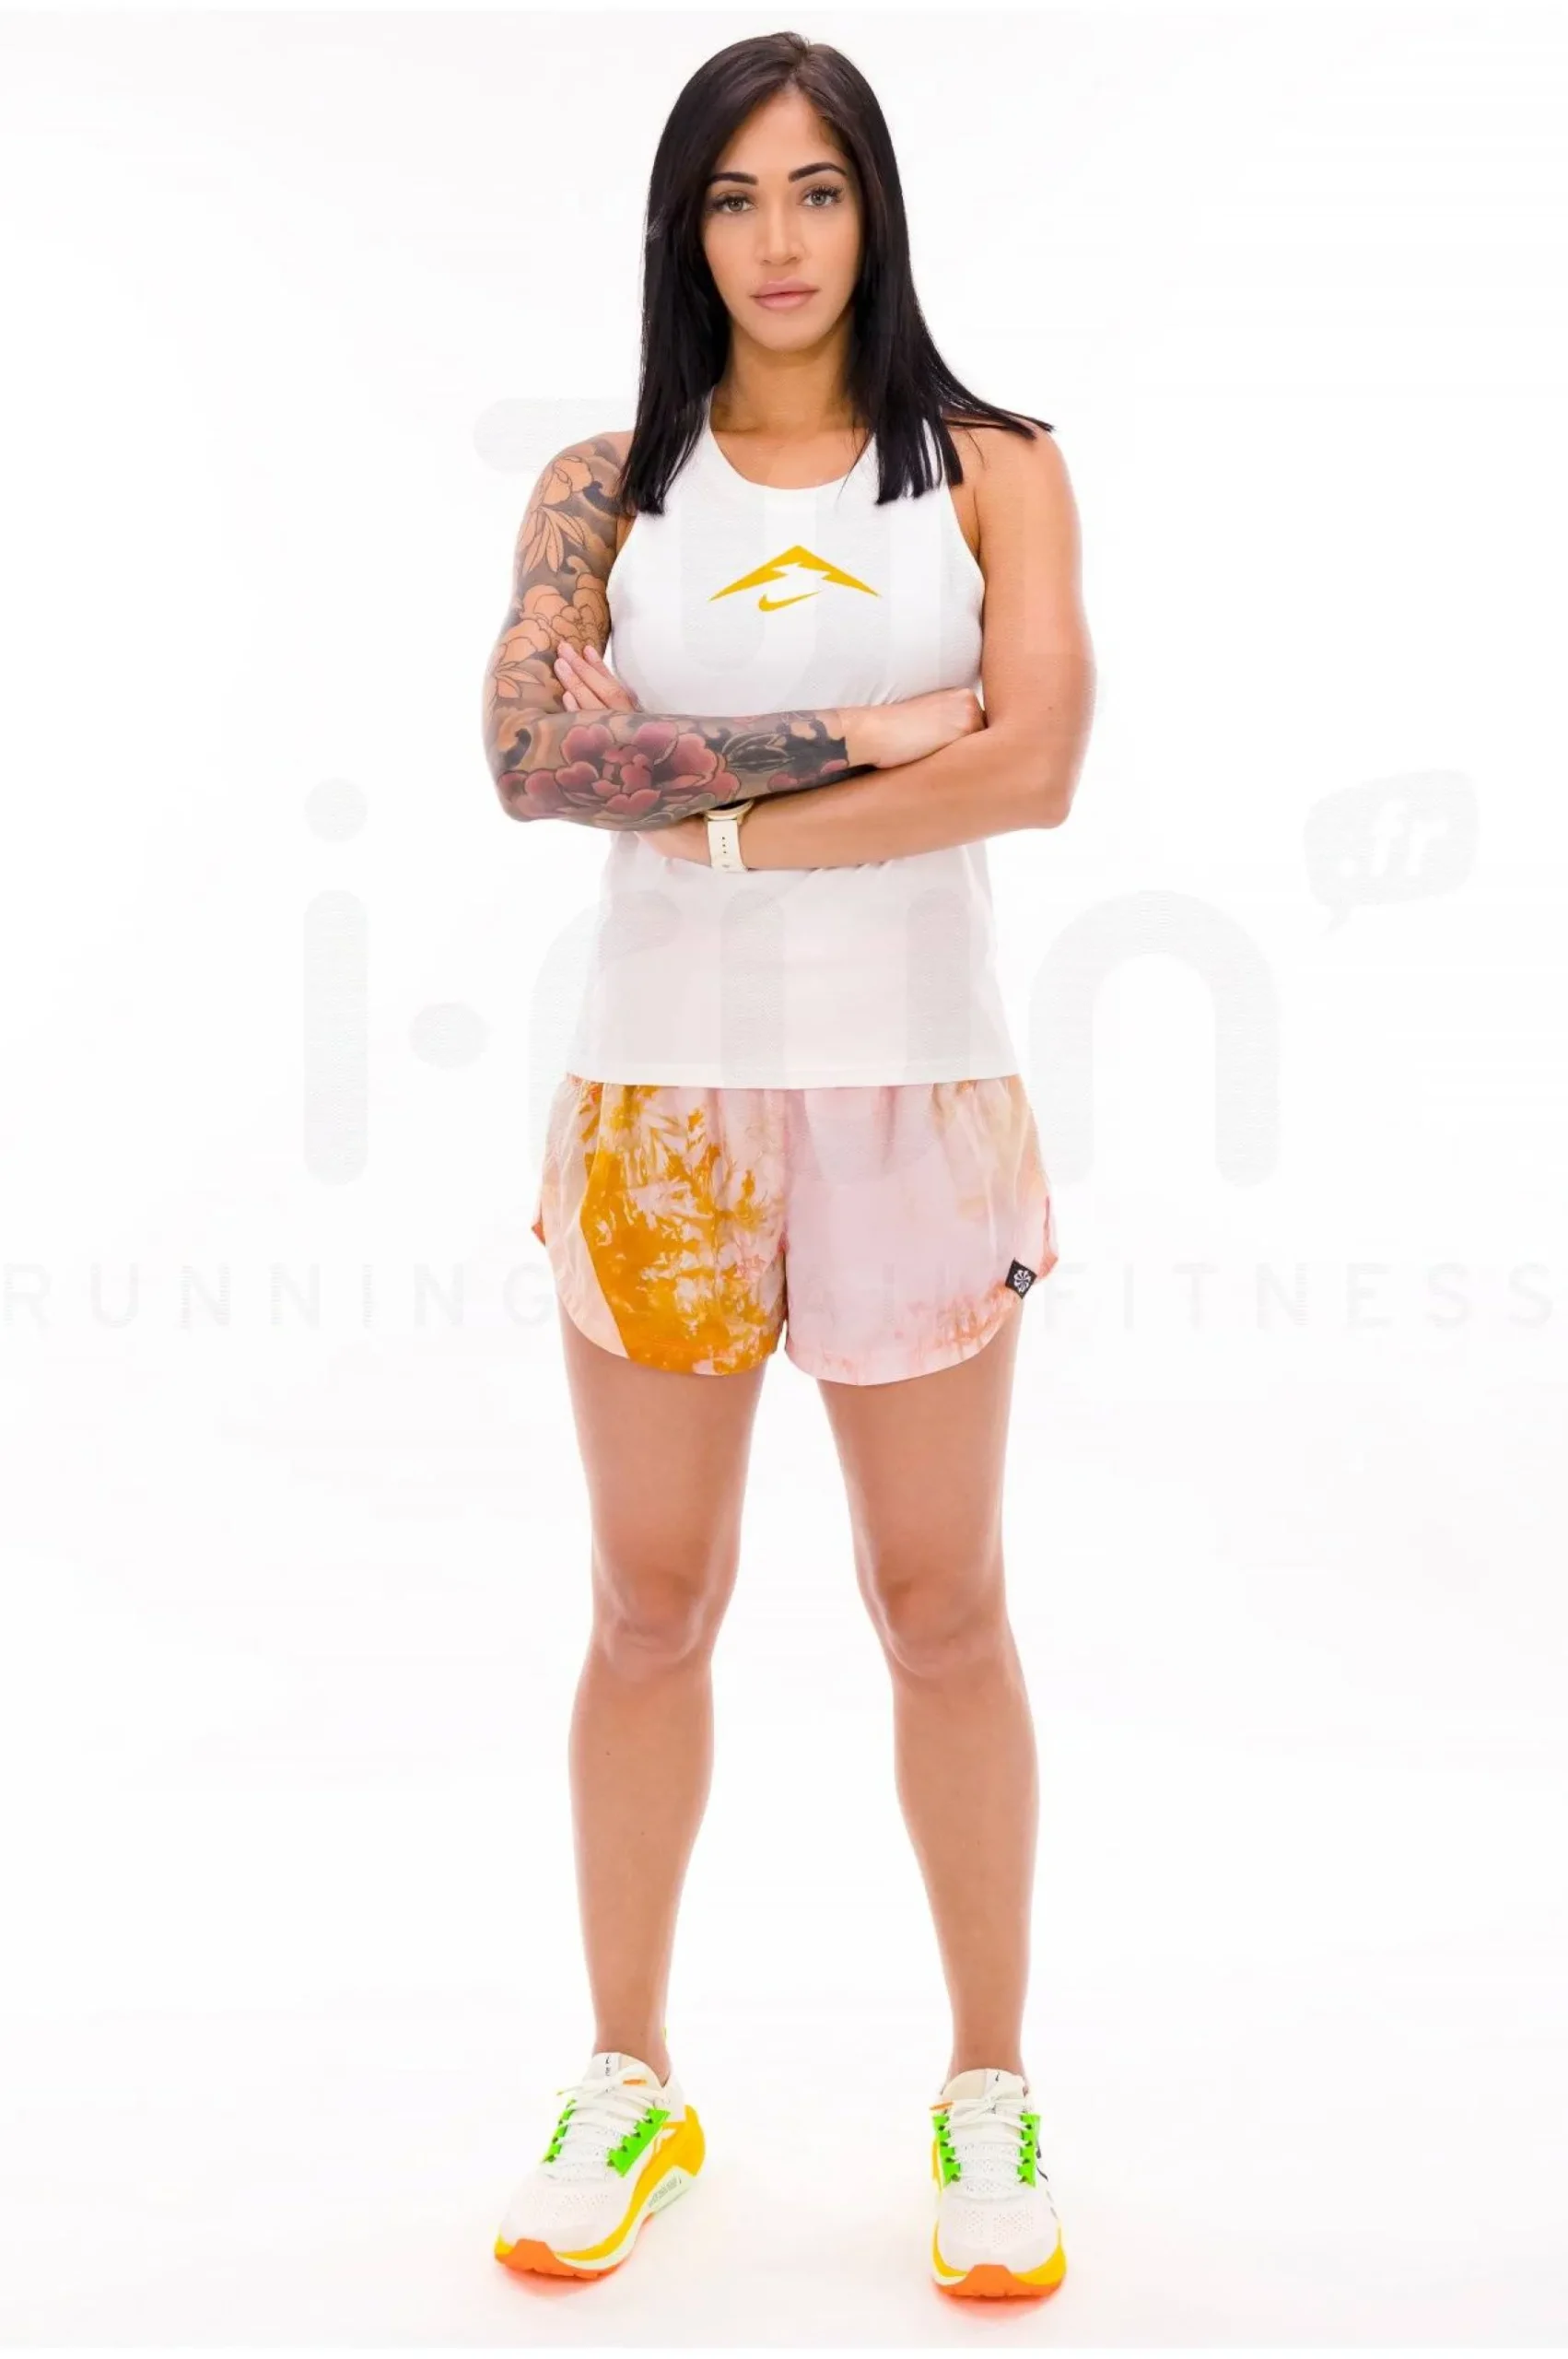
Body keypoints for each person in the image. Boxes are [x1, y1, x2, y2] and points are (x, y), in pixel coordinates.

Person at [479, 29, 1094, 2303]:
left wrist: (720, 812)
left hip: (914, 1092)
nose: (775, 240)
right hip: (659, 1098)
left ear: (872, 211)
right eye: (731, 198)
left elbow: (1035, 765)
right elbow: (536, 762)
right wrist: (872, 730)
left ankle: (986, 2085)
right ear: (682, 230)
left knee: (940, 1608)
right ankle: (628, 2074)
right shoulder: (604, 487)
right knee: (648, 1605)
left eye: (814, 190)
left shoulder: (993, 472)